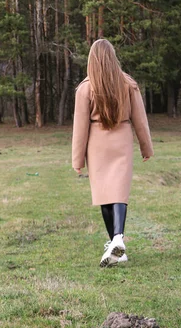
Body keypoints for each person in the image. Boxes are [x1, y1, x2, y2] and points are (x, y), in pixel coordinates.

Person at [72, 38, 154, 267]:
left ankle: (116, 241)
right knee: (119, 192)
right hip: (122, 141)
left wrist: (77, 159)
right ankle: (117, 243)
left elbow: (80, 128)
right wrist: (146, 146)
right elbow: (140, 119)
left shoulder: (85, 88)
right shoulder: (128, 84)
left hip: (97, 144)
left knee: (104, 195)